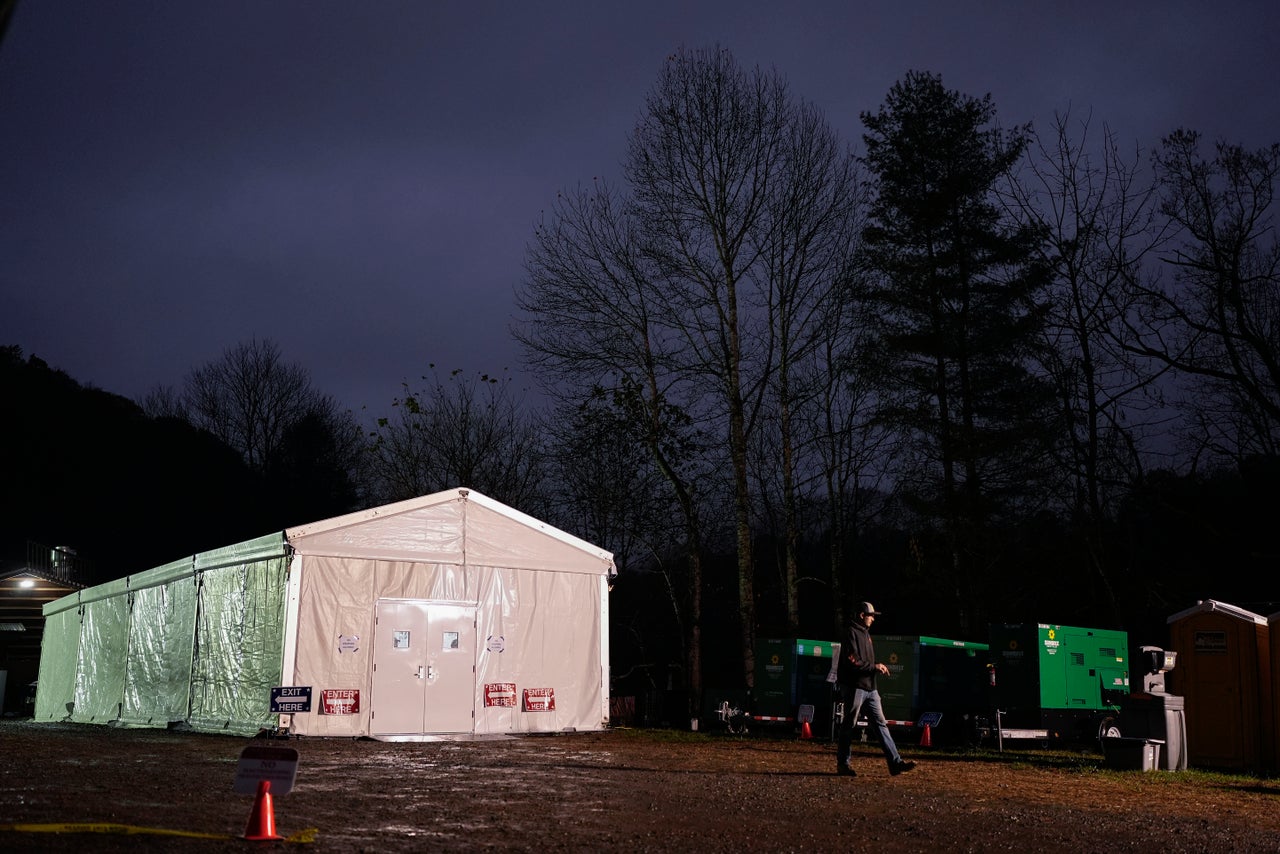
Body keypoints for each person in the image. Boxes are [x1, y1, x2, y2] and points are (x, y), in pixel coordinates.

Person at [835, 601, 917, 777]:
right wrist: (875, 667)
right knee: (849, 724)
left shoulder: (865, 633)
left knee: (881, 724)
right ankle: (843, 764)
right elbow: (853, 662)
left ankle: (895, 764)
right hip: (855, 687)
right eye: (871, 616)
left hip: (870, 688)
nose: (873, 619)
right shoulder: (851, 633)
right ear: (862, 616)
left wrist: (874, 668)